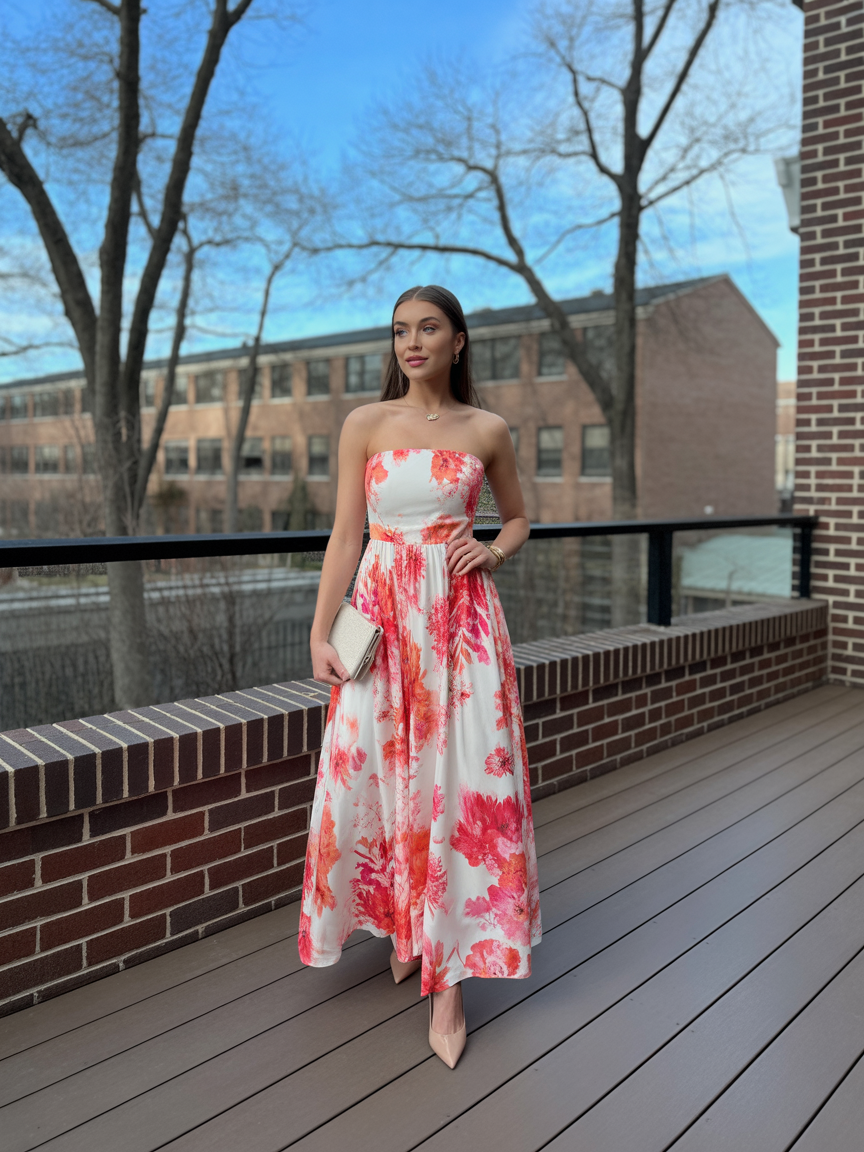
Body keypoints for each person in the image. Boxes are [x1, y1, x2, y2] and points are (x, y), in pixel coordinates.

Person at [297, 284, 541, 1069]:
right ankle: (407, 928)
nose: (412, 341)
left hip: (463, 624)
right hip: (379, 619)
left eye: (428, 328)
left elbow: (518, 516)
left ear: (459, 340)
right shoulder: (365, 424)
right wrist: (319, 629)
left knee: (461, 783)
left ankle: (450, 983)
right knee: (376, 774)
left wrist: (495, 551)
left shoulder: (488, 429)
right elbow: (344, 534)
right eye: (401, 330)